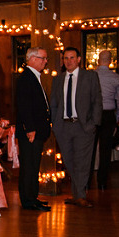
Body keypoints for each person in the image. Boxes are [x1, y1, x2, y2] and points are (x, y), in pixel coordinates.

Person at [49, 47, 103, 208]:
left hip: (83, 126)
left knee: (82, 161)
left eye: (72, 58)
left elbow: (97, 101)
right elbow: (54, 104)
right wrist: (54, 123)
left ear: (79, 59)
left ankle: (80, 195)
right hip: (63, 127)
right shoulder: (58, 79)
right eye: (66, 58)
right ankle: (77, 194)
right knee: (69, 161)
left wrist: (93, 123)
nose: (69, 61)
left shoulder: (90, 76)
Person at [15, 46, 52, 211]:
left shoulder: (33, 77)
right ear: (32, 59)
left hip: (36, 130)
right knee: (29, 166)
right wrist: (30, 128)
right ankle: (28, 200)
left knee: (33, 165)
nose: (45, 61)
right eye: (43, 58)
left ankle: (33, 197)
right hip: (31, 132)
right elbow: (24, 106)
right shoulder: (26, 78)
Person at [92, 50, 119, 190]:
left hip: (93, 114)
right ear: (111, 61)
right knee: (105, 149)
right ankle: (102, 181)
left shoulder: (91, 76)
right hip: (109, 114)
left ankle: (86, 181)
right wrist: (117, 117)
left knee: (90, 148)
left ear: (98, 61)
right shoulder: (116, 78)